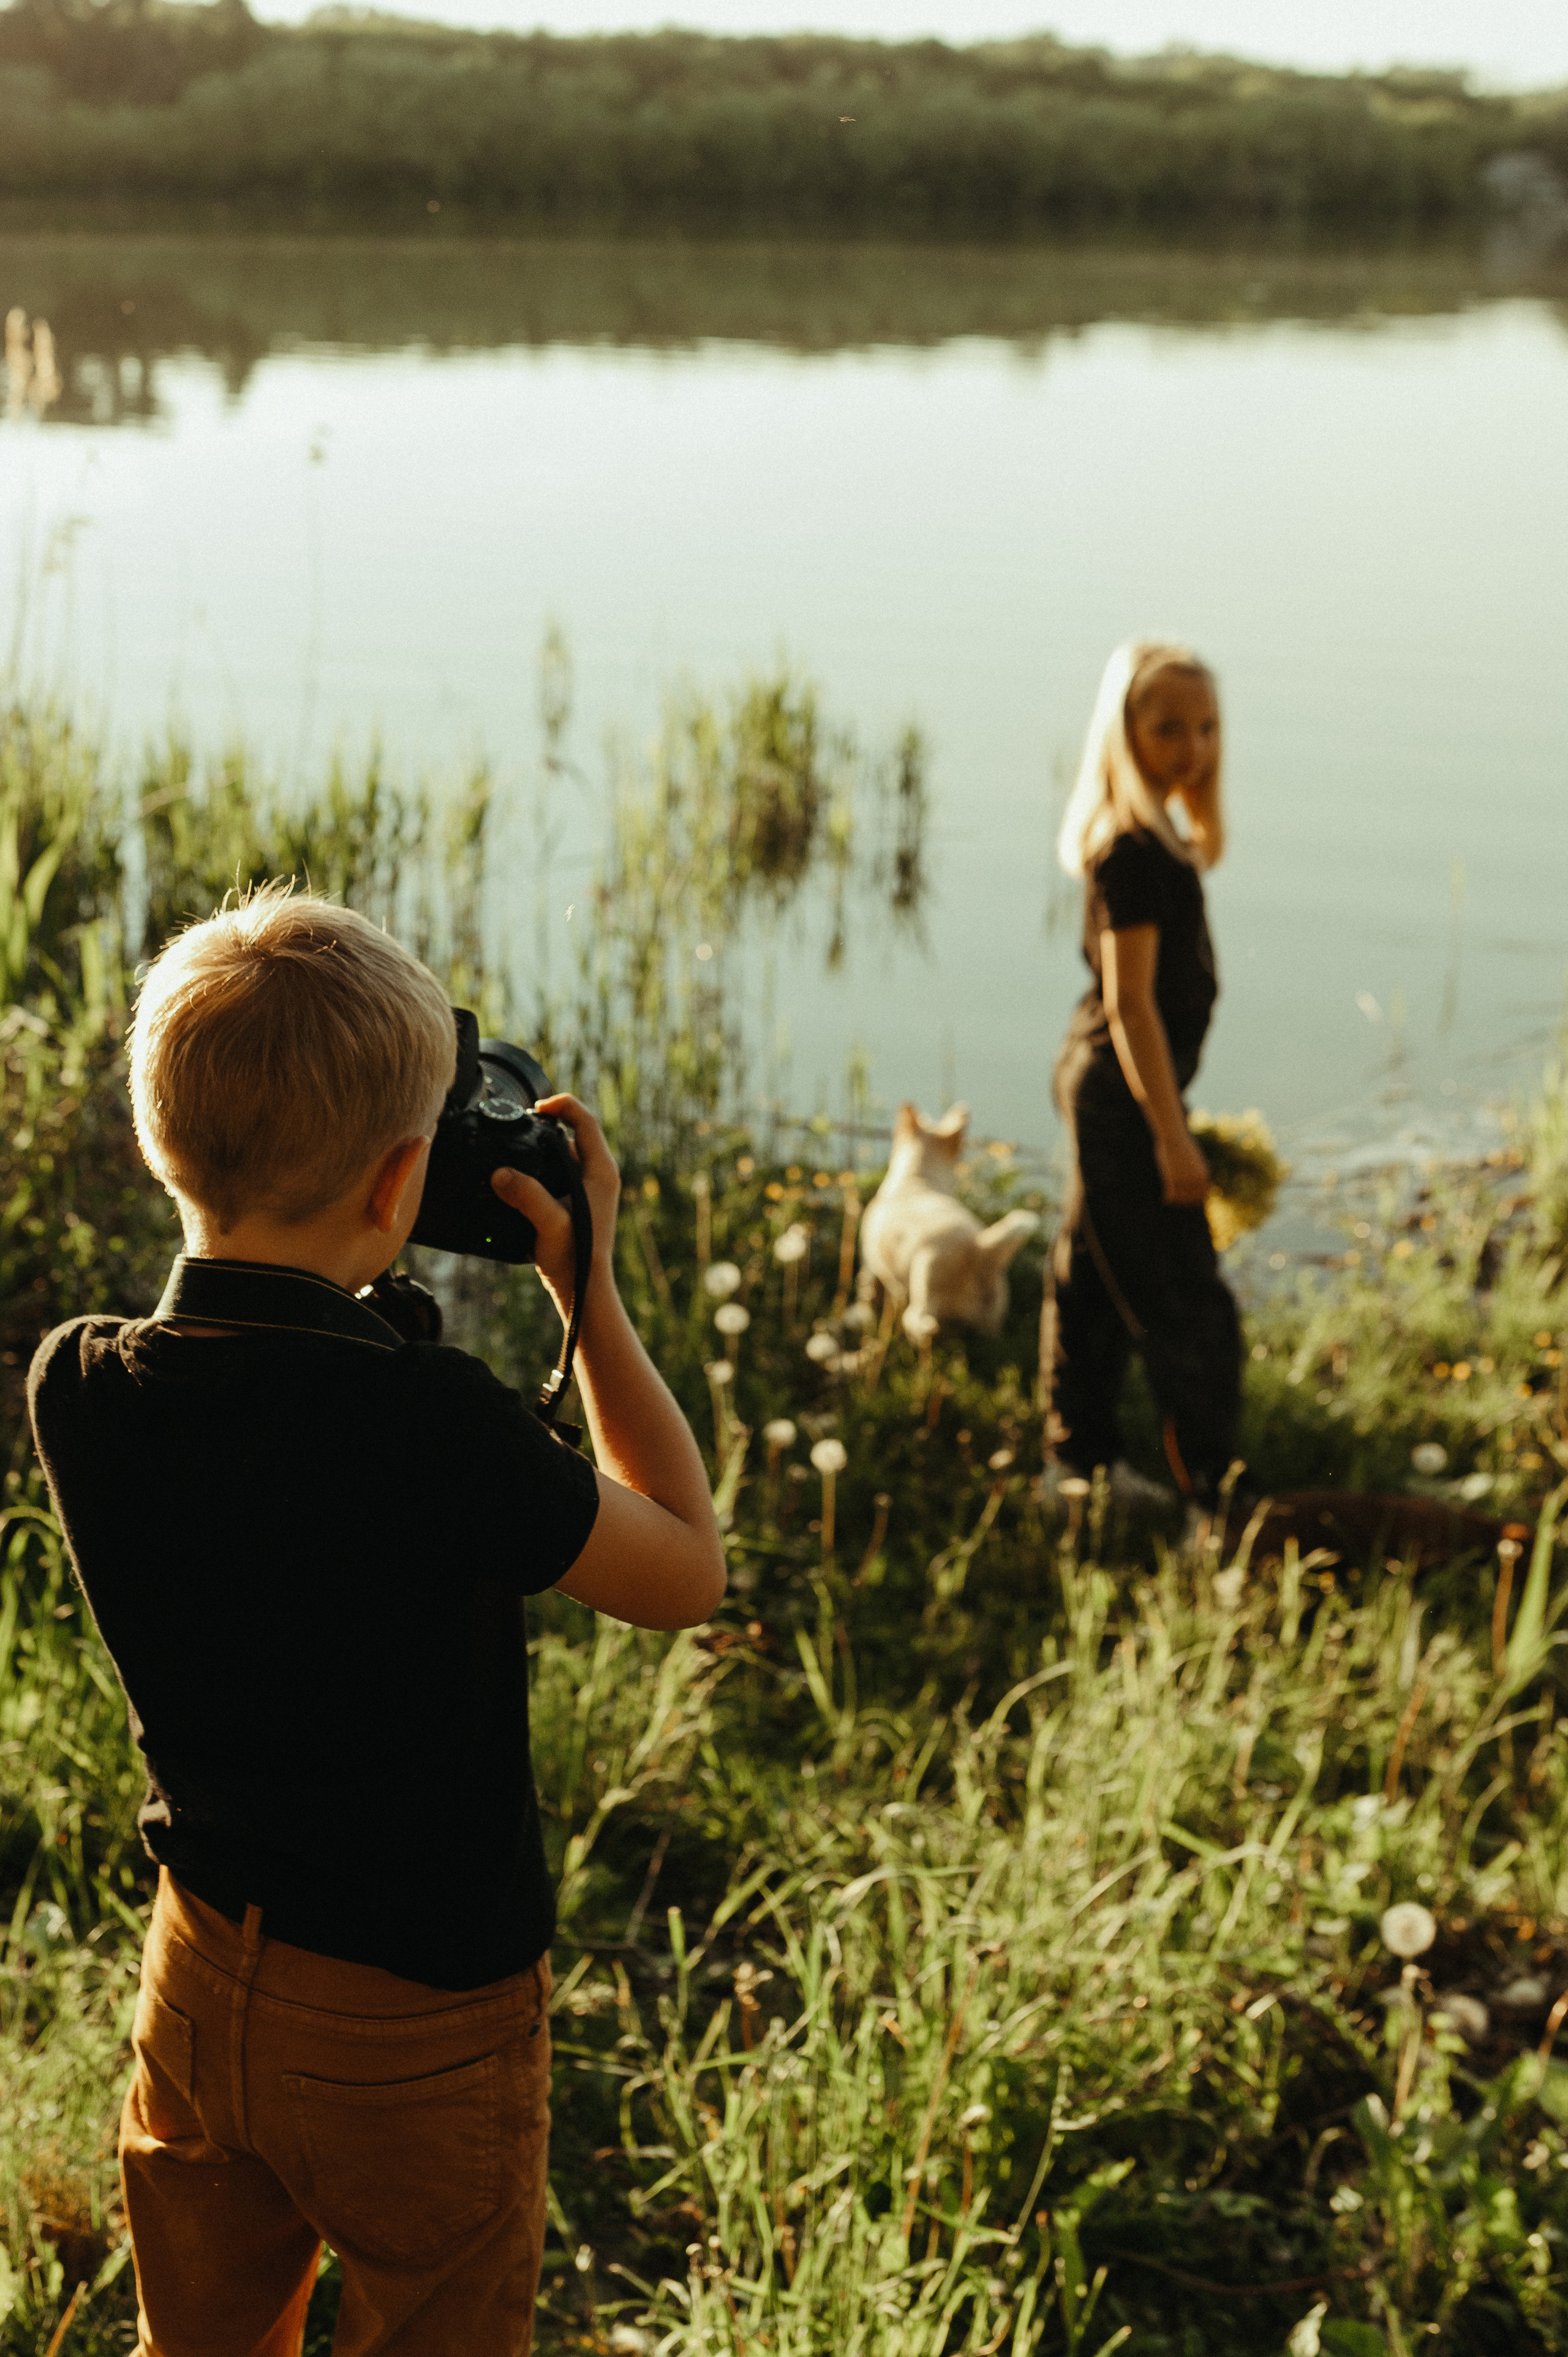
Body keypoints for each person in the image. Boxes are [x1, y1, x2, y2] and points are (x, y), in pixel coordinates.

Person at [26, 884, 726, 2356]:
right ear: (405, 1179)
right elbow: (682, 1569)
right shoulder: (434, 1426)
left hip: (202, 1974)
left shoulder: (76, 1383)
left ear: (155, 1141)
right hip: (418, 2020)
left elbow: (258, 1400)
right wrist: (586, 1289)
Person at [1041, 638, 1242, 1508]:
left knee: (1092, 1275)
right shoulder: (1130, 850)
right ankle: (1217, 1497)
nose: (1192, 748)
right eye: (1168, 729)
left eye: (1206, 728)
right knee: (1186, 1297)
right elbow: (1132, 1008)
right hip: (1122, 1099)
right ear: (1124, 734)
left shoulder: (1163, 835)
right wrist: (1172, 1138)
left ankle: (1078, 1466)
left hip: (1117, 1089)